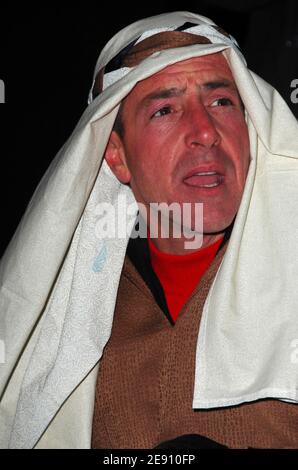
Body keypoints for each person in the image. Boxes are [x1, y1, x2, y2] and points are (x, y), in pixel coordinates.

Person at [0, 11, 298, 449]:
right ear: (116, 155)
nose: (205, 132)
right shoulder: (69, 330)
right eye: (165, 109)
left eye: (222, 102)